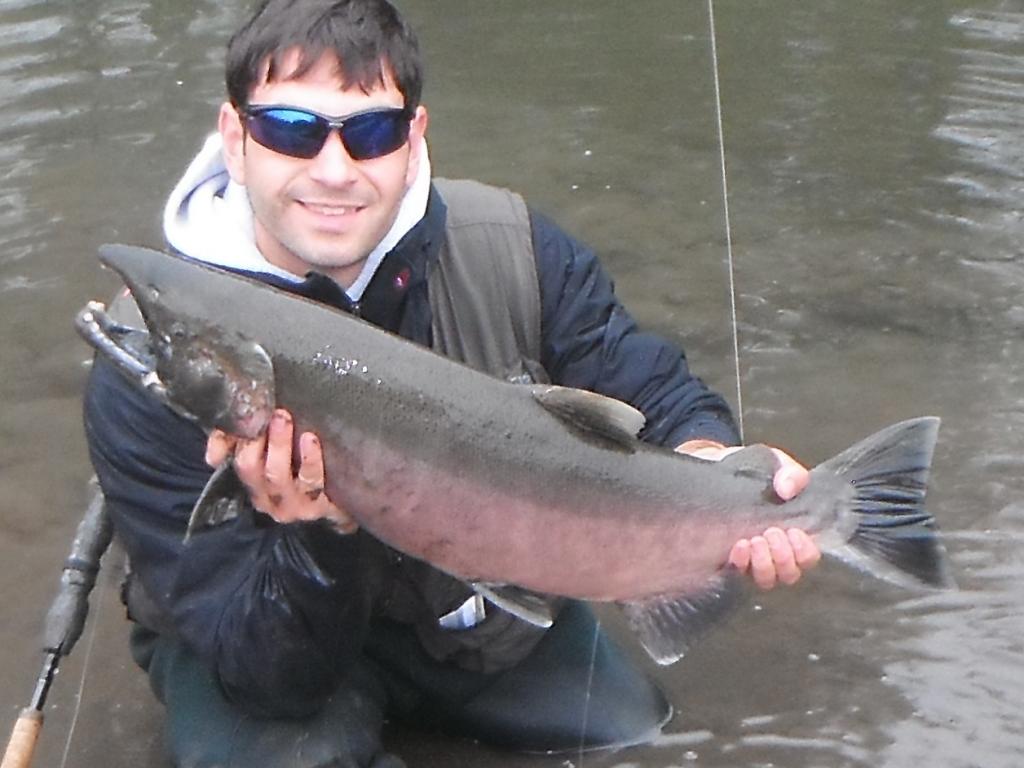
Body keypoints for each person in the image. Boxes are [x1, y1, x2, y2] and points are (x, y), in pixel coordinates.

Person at [83, 1, 821, 766]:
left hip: (471, 618)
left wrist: (720, 473)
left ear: (413, 137)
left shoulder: (517, 251)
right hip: (259, 633)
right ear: (235, 139)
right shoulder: (160, 347)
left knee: (631, 735)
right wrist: (315, 535)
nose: (334, 171)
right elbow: (272, 677)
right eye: (292, 131)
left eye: (370, 133)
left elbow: (658, 392)